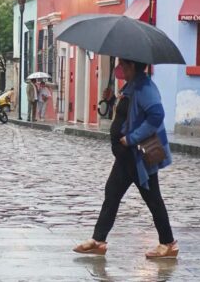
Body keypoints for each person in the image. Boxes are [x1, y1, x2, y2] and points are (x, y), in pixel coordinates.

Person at [73, 59, 178, 259]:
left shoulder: (146, 87)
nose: (120, 66)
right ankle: (98, 240)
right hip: (125, 155)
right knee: (112, 192)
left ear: (132, 66)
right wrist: (113, 99)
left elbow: (156, 115)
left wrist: (131, 138)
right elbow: (126, 113)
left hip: (137, 154)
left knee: (152, 197)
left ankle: (168, 243)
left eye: (123, 63)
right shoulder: (132, 86)